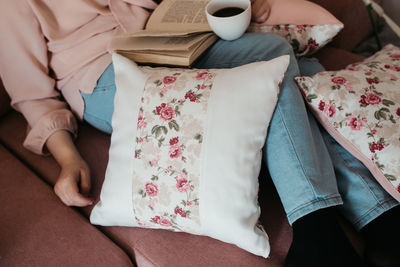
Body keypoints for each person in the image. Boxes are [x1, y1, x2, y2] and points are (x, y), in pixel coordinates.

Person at [0, 1, 398, 266]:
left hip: (168, 43)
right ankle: (336, 225)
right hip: (100, 75)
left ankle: (353, 227)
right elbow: (30, 92)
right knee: (283, 79)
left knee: (280, 58)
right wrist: (67, 158)